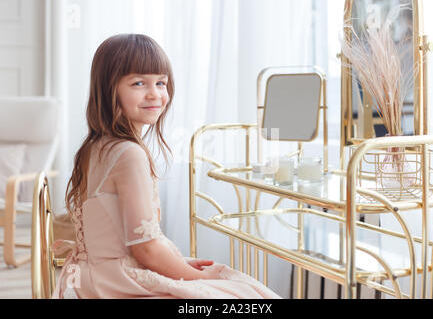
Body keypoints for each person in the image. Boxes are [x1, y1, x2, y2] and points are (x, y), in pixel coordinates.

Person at [52, 34, 281, 299]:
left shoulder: (94, 147)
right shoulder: (128, 154)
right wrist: (198, 278)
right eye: (139, 83)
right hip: (117, 283)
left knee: (237, 284)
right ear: (108, 88)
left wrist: (180, 265)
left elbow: (135, 244)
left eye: (161, 82)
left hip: (93, 278)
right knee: (246, 293)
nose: (155, 94)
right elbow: (146, 249)